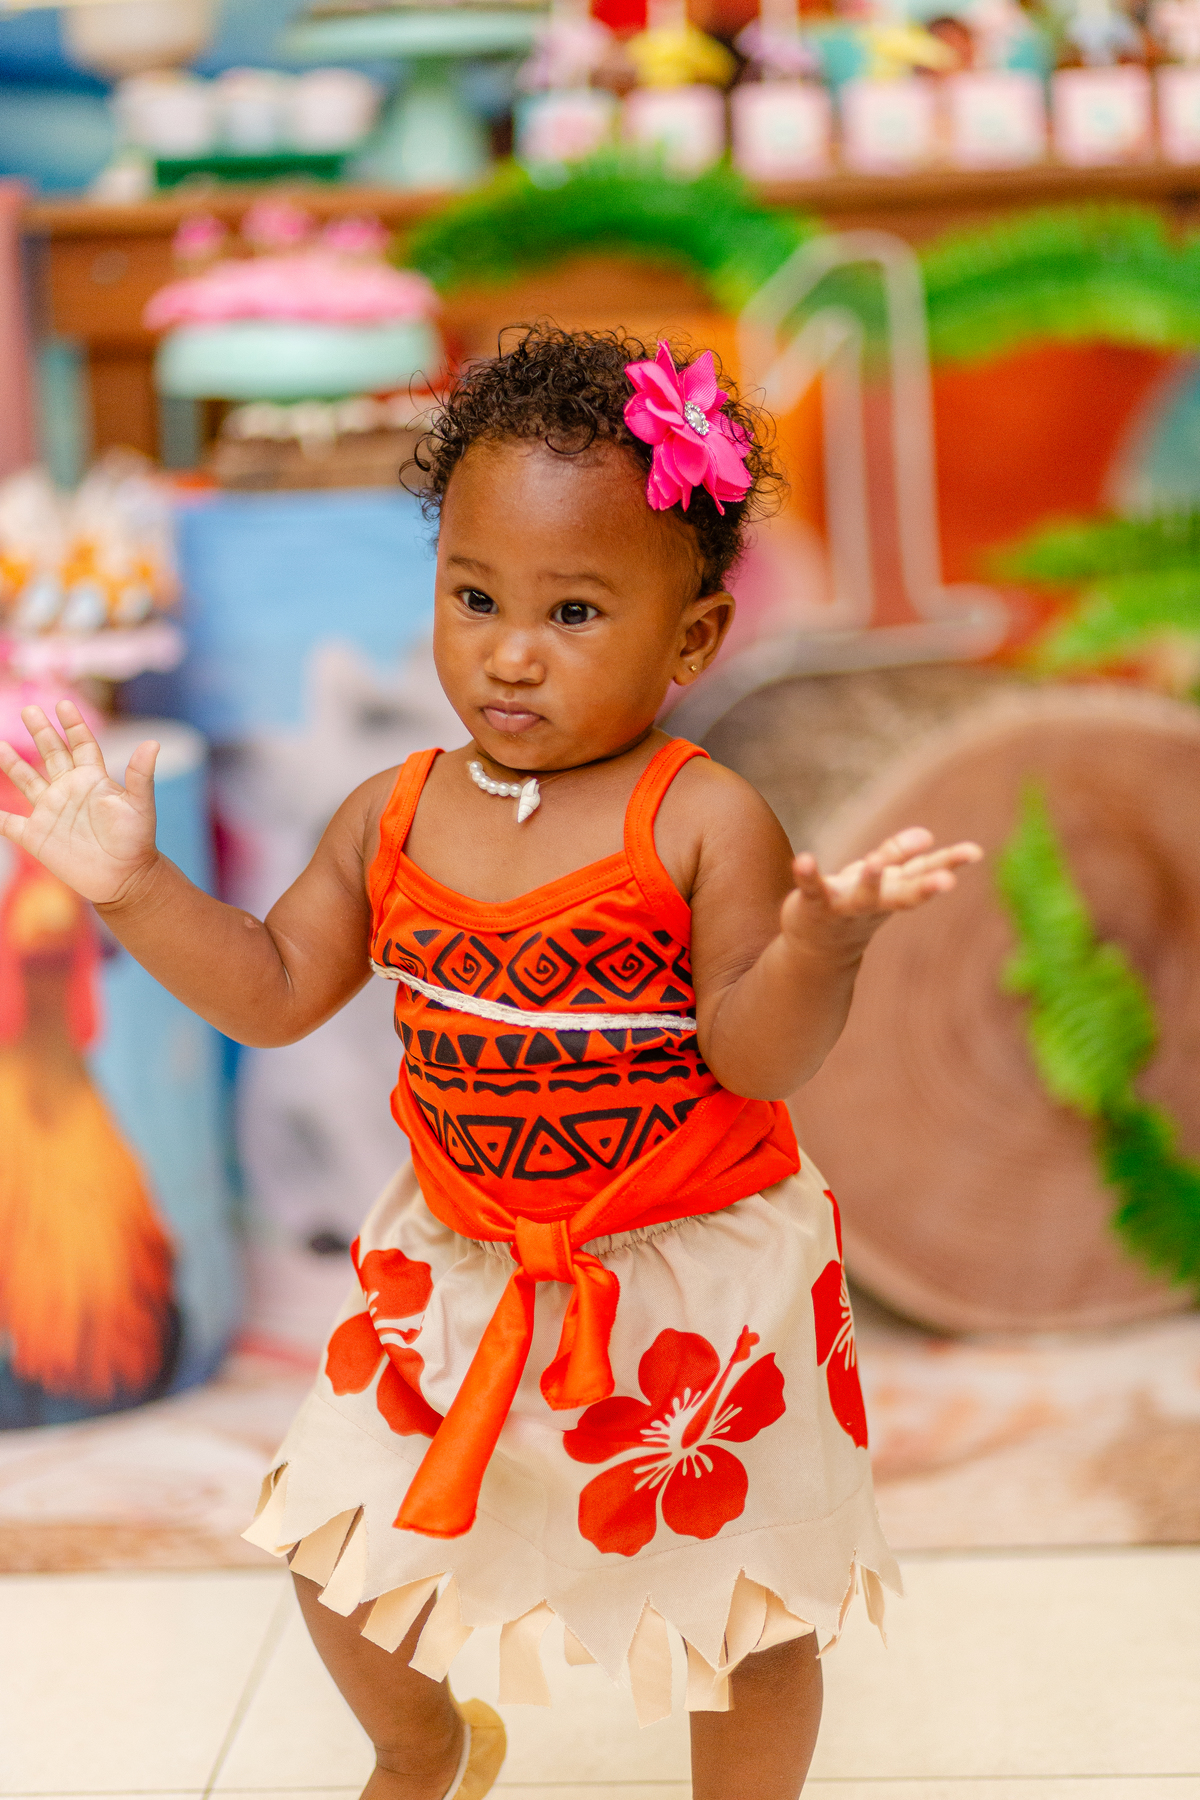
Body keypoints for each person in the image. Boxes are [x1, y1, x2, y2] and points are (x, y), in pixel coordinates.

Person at [0, 327, 981, 1800]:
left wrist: (820, 948)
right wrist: (132, 886)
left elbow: (754, 1056)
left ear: (692, 639)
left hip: (683, 1279)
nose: (511, 652)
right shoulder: (391, 813)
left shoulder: (702, 820)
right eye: (474, 598)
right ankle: (429, 1746)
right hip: (461, 1264)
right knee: (337, 1545)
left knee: (744, 1615)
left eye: (574, 610)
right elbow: (272, 993)